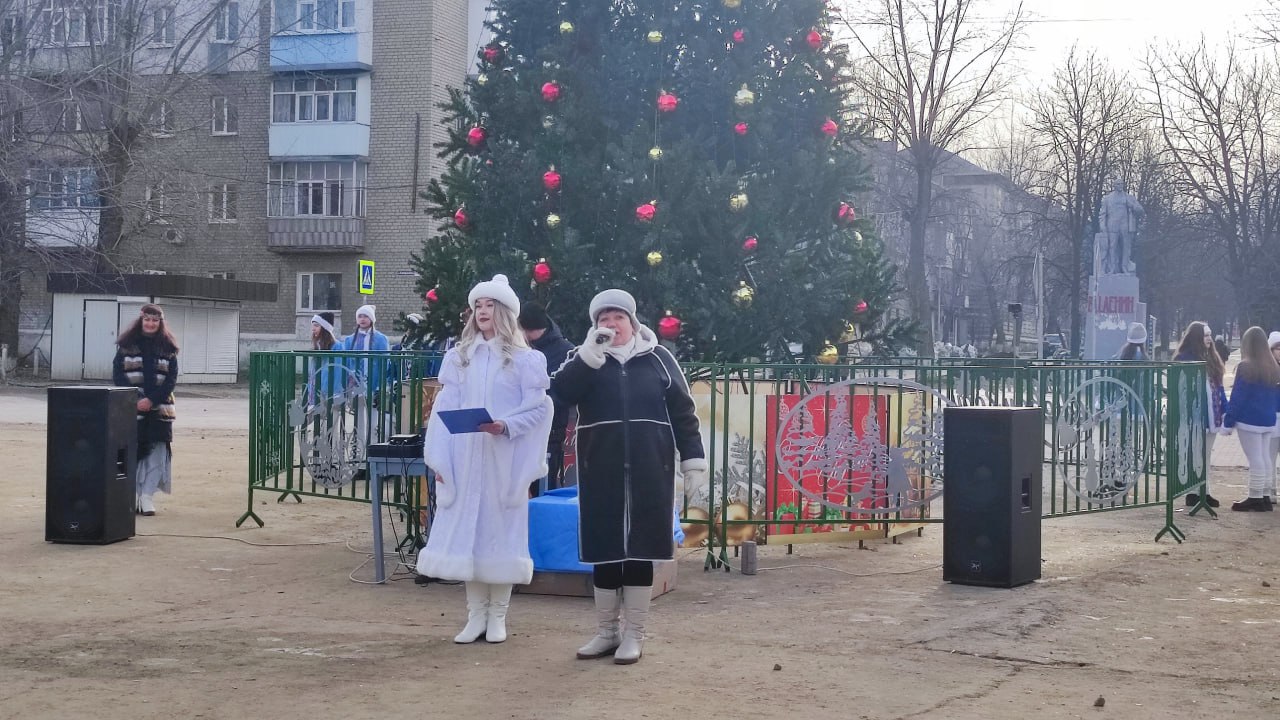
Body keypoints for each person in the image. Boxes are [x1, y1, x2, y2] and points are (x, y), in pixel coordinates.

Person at [551, 289, 706, 665]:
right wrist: (590, 354)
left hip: (650, 470)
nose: (611, 323)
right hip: (599, 469)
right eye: (603, 318)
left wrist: (694, 462)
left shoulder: (659, 359)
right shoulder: (583, 359)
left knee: (641, 551)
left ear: (632, 323)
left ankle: (634, 635)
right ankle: (607, 632)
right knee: (604, 552)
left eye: (618, 317)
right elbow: (561, 391)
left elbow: (684, 414)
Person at [415, 274, 552, 644]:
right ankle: (475, 616)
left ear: (505, 311)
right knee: (468, 538)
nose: (482, 311)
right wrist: (442, 462)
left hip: (502, 462)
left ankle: (499, 617)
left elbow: (539, 409)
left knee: (500, 535)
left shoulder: (526, 360)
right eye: (478, 305)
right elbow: (445, 409)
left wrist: (504, 425)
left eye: (490, 305)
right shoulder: (459, 358)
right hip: (465, 460)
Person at [112, 304, 179, 517]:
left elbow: (171, 380)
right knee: (132, 453)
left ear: (160, 323)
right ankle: (132, 495)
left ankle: (147, 496)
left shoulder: (169, 348)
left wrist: (152, 400)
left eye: (155, 320)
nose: (151, 324)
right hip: (132, 410)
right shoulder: (126, 346)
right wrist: (137, 400)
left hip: (160, 411)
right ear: (141, 320)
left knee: (157, 454)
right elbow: (118, 377)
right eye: (147, 320)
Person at [518, 302, 575, 492]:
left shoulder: (564, 351)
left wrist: (536, 395)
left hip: (548, 435)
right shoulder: (519, 348)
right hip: (515, 433)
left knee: (541, 492)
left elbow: (564, 393)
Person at [1223, 326, 1280, 511]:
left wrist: (1228, 421)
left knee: (1255, 458)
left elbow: (1238, 396)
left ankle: (1255, 496)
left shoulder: (1246, 366)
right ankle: (1264, 495)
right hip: (1268, 419)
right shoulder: (1272, 366)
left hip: (1250, 420)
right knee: (1264, 457)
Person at [1173, 321, 1227, 508]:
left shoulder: (1212, 358)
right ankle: (1193, 492)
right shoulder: (1184, 358)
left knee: (1205, 456)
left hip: (1212, 415)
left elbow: (1219, 387)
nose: (1209, 339)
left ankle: (1204, 491)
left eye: (1210, 335)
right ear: (1196, 337)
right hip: (1194, 416)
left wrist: (1224, 409)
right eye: (1205, 335)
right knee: (1195, 455)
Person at [337, 305, 391, 455]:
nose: (362, 319)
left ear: (372, 319)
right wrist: (347, 385)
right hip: (356, 387)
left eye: (365, 316)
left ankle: (373, 458)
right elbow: (346, 364)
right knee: (358, 424)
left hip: (374, 387)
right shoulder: (349, 340)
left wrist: (381, 386)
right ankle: (359, 458)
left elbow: (385, 364)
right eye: (360, 316)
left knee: (374, 424)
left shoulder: (381, 339)